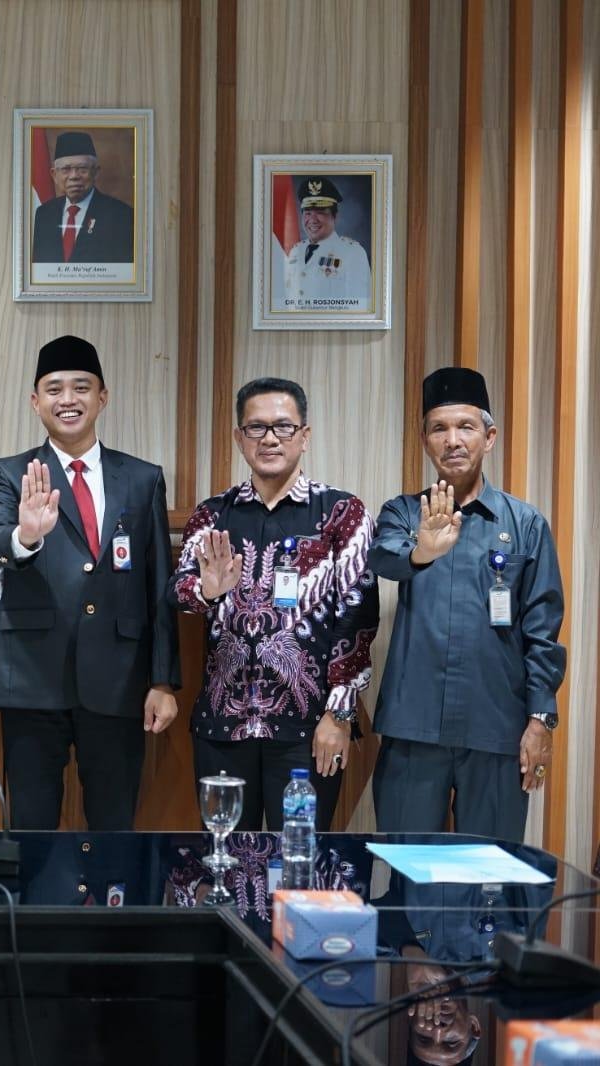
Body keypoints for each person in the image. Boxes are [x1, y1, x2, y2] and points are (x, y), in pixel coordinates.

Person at [0, 336, 180, 830]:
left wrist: (161, 680)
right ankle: (31, 913)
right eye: (54, 389)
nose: (67, 399)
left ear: (102, 397)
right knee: (30, 825)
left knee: (114, 824)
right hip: (32, 676)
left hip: (118, 678)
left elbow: (158, 584)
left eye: (81, 387)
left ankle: (111, 909)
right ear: (35, 401)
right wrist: (27, 535)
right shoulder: (8, 473)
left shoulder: (142, 478)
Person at [168, 377, 379, 831]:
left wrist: (339, 715)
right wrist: (206, 591)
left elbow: (358, 621)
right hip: (223, 727)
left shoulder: (343, 514)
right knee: (225, 860)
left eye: (283, 427)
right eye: (256, 427)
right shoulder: (213, 515)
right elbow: (179, 595)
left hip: (308, 729)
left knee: (297, 866)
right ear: (238, 438)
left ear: (304, 436)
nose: (269, 438)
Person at [368, 367, 565, 841]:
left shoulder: (526, 523)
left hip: (495, 729)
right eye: (439, 428)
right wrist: (423, 551)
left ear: (489, 436)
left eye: (465, 427)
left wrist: (541, 717)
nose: (452, 440)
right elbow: (383, 560)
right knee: (409, 875)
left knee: (490, 882)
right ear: (424, 440)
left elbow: (542, 627)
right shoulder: (402, 512)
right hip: (414, 729)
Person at [30, 131, 135, 264]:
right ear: (54, 175)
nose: (74, 176)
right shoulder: (43, 214)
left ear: (96, 173)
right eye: (66, 169)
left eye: (82, 169)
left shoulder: (122, 215)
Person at [280, 176, 372, 311]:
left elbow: (359, 310)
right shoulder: (296, 252)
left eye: (320, 212)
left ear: (334, 216)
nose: (312, 220)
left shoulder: (353, 253)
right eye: (308, 213)